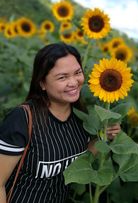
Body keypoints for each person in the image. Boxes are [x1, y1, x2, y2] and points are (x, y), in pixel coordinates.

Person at [0, 42, 121, 203]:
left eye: (77, 72)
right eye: (62, 77)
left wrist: (102, 137)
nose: (73, 82)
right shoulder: (23, 119)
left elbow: (79, 159)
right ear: (42, 83)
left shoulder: (82, 118)